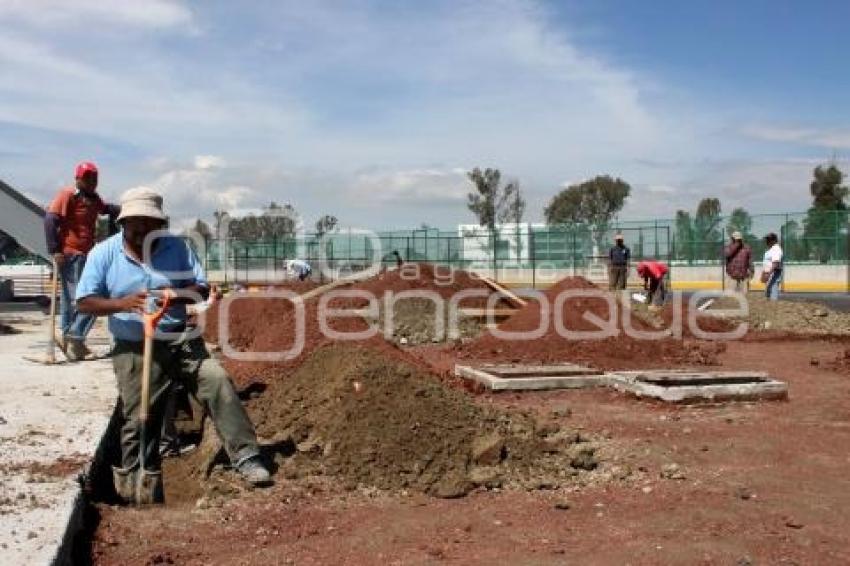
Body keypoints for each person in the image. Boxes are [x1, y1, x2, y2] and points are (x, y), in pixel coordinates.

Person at [76, 187, 271, 503]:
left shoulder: (177, 249)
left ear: (159, 225)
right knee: (139, 415)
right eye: (135, 222)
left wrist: (175, 295)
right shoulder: (104, 254)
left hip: (180, 338)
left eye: (149, 223)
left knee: (218, 382)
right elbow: (84, 303)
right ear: (123, 223)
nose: (142, 229)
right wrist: (122, 303)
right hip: (134, 346)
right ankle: (137, 478)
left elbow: (202, 289)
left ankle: (248, 457)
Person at [43, 161, 119, 360]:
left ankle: (70, 342)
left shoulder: (94, 199)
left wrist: (121, 210)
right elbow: (50, 220)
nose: (92, 182)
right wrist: (55, 250)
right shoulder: (67, 195)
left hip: (87, 254)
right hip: (70, 254)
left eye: (94, 178)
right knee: (87, 299)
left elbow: (106, 209)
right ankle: (75, 337)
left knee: (72, 300)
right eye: (87, 178)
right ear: (78, 179)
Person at [761, 232, 783, 301]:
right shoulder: (771, 249)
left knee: (773, 297)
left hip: (773, 275)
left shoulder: (776, 249)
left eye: (769, 239)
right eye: (767, 239)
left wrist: (768, 274)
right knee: (768, 296)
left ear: (774, 240)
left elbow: (775, 263)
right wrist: (763, 274)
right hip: (770, 275)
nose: (767, 241)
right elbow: (767, 263)